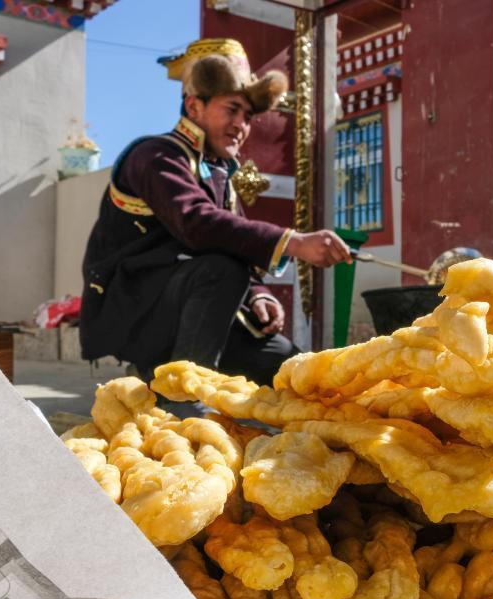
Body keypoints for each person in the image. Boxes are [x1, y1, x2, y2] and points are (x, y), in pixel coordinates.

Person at [80, 39, 350, 385]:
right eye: (232, 109)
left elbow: (232, 244)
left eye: (248, 116)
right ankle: (182, 394)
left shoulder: (221, 175)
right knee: (221, 270)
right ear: (194, 107)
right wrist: (294, 242)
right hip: (139, 312)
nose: (241, 125)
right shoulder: (155, 156)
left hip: (198, 311)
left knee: (292, 370)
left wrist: (258, 295)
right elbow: (197, 223)